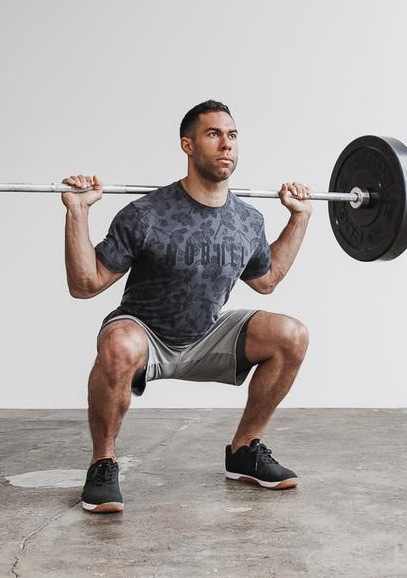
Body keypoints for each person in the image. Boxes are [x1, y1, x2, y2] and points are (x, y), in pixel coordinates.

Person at [62, 100, 312, 513]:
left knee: (292, 335)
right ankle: (102, 462)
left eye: (232, 135)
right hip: (145, 335)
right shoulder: (146, 213)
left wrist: (299, 219)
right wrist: (77, 213)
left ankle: (244, 451)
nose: (226, 145)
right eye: (213, 135)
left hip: (207, 335)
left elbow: (266, 281)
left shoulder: (247, 220)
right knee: (120, 345)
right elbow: (85, 285)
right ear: (188, 146)